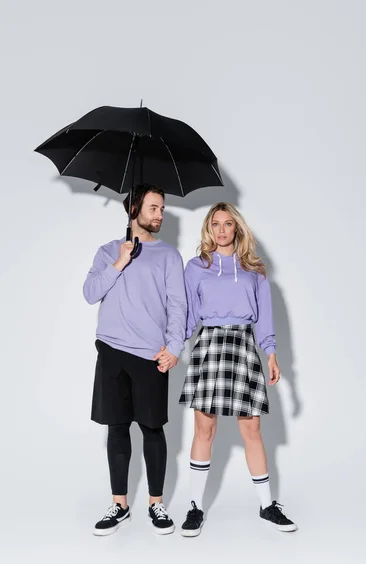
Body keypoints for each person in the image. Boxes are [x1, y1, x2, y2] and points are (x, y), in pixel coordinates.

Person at [179, 202, 297, 536]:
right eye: (215, 224)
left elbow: (265, 318)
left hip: (244, 346)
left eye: (227, 224)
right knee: (204, 428)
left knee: (251, 430)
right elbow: (188, 318)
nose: (220, 230)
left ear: (237, 229)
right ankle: (195, 508)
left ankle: (266, 505)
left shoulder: (254, 270)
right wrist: (172, 348)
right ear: (208, 228)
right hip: (209, 347)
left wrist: (271, 354)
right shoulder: (196, 268)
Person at [83, 184, 187, 536]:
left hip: (150, 355)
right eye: (154, 208)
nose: (160, 215)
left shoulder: (169, 256)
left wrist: (174, 348)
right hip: (111, 351)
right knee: (116, 428)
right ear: (134, 210)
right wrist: (120, 261)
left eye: (162, 209)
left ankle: (156, 504)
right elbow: (90, 293)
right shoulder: (108, 251)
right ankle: (120, 505)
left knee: (152, 428)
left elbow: (178, 306)